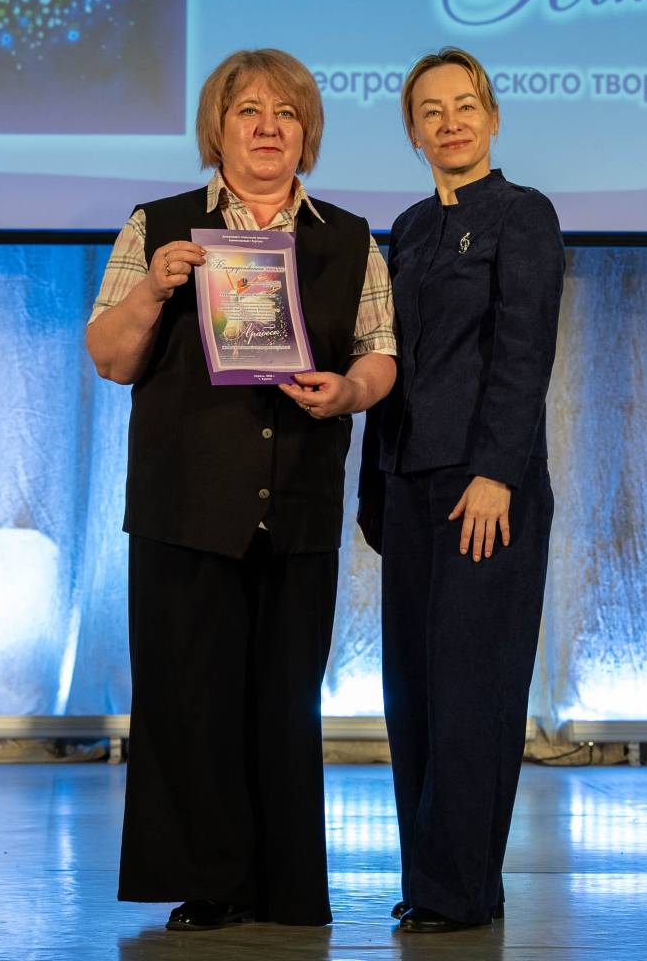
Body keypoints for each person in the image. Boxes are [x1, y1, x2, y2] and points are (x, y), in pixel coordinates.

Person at [85, 49, 396, 931]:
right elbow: (109, 358)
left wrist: (349, 391)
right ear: (215, 129)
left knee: (285, 702)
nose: (267, 128)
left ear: (308, 134)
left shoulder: (350, 238)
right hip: (184, 505)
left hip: (299, 501)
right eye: (248, 111)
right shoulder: (158, 227)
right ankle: (210, 883)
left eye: (286, 114)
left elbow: (379, 353)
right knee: (190, 702)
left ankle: (287, 887)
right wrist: (154, 290)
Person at [358, 47, 565, 933]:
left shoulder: (524, 215)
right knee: (413, 695)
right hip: (407, 485)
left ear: (493, 118)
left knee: (473, 692)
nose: (450, 123)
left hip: (487, 490)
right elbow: (385, 361)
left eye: (465, 105)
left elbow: (523, 351)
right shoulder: (405, 229)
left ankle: (464, 891)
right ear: (413, 132)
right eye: (431, 111)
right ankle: (432, 881)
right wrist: (372, 487)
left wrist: (495, 473)